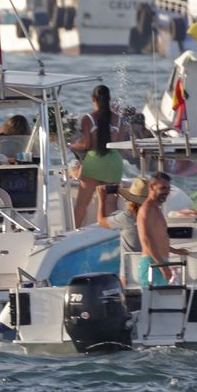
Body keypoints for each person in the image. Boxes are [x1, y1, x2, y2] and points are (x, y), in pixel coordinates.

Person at [70, 85, 123, 228]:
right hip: (114, 162)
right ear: (109, 99)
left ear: (93, 99)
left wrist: (72, 145)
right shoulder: (118, 119)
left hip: (94, 162)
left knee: (82, 203)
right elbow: (120, 144)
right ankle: (111, 233)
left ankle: (75, 232)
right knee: (110, 202)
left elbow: (86, 144)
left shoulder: (88, 118)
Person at [137, 171, 189, 285]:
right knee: (155, 297)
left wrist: (175, 251)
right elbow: (146, 240)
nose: (167, 192)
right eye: (163, 188)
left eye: (168, 188)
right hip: (153, 263)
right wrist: (163, 267)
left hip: (160, 262)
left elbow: (158, 239)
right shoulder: (146, 209)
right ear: (151, 187)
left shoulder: (156, 209)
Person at [98, 180, 144, 282]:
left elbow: (101, 221)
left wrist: (102, 199)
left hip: (129, 272)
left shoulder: (127, 217)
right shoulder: (150, 216)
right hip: (146, 265)